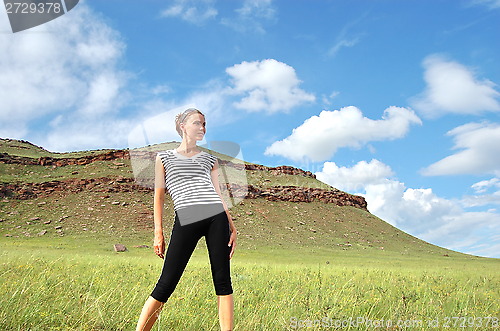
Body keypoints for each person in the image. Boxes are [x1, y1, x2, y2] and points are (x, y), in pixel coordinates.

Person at [136, 108, 237, 331]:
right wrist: (158, 232)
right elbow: (159, 196)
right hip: (187, 216)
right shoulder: (164, 157)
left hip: (216, 217)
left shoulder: (211, 159)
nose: (202, 128)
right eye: (197, 123)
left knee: (223, 281)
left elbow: (219, 193)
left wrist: (232, 225)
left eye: (204, 124)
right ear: (183, 126)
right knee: (166, 283)